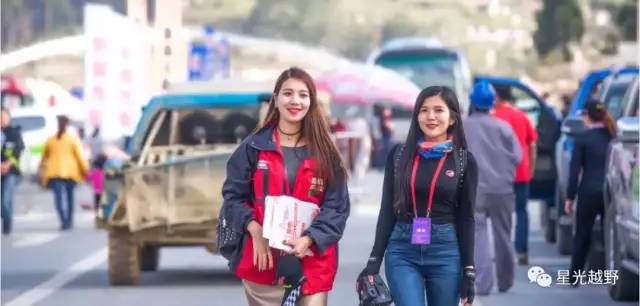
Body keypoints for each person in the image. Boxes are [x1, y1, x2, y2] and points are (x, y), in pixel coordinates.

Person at [221, 67, 350, 306]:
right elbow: (233, 198)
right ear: (276, 98)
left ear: (311, 102)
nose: (295, 101)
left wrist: (310, 239)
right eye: (288, 93)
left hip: (311, 261)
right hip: (263, 260)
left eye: (303, 95)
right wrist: (254, 229)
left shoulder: (325, 152)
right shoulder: (253, 147)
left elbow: (337, 207)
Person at [360, 86, 478, 306]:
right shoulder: (398, 155)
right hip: (402, 251)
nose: (430, 116)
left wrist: (469, 271)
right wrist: (374, 260)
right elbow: (387, 210)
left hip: (446, 251)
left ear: (452, 118)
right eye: (424, 110)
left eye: (438, 110)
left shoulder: (464, 161)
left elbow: (467, 217)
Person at [464, 81, 522, 295]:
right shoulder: (504, 128)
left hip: (474, 189)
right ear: (492, 103)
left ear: (472, 102)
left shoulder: (463, 127)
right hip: (502, 189)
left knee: (478, 234)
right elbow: (518, 157)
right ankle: (505, 280)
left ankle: (483, 283)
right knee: (503, 234)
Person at [565, 100, 615, 285]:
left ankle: (574, 276)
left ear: (587, 116)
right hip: (611, 194)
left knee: (583, 234)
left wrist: (569, 197)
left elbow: (574, 171)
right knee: (608, 234)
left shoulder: (583, 139)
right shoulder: (613, 136)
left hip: (588, 192)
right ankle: (605, 274)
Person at [492, 84, 538, 265]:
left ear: (497, 97)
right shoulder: (522, 116)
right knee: (521, 211)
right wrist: (531, 167)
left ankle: (502, 251)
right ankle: (522, 251)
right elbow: (532, 144)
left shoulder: (494, 118)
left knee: (499, 215)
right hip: (521, 173)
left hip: (499, 175)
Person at [40, 115, 89, 230]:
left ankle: (66, 221)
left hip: (65, 174)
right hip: (61, 174)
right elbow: (44, 158)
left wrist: (85, 169)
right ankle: (66, 221)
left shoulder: (68, 139)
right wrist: (85, 169)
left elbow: (79, 156)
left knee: (65, 199)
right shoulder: (54, 140)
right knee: (64, 199)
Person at [1, 107, 24, 234]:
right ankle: (6, 219)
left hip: (11, 171)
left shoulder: (14, 133)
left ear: (8, 117)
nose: (2, 119)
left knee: (6, 199)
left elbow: (19, 149)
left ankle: (7, 225)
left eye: (3, 116)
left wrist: (7, 164)